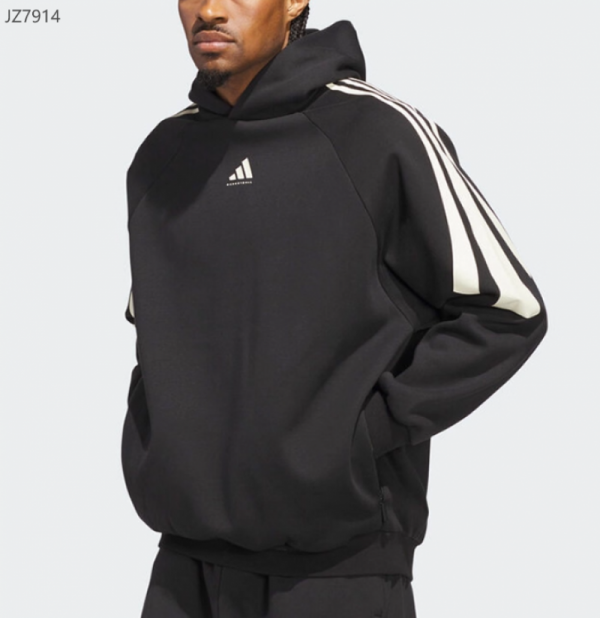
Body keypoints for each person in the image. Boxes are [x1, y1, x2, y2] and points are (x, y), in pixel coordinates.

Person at [121, 1, 549, 616]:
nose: (208, 10)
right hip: (182, 566)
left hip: (336, 570)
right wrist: (160, 445)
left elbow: (508, 310)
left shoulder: (378, 132)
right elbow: (155, 329)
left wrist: (355, 433)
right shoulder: (162, 156)